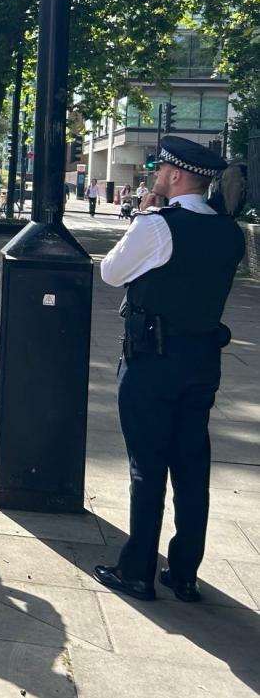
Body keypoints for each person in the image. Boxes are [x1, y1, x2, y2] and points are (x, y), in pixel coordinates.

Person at [93, 136, 244, 604]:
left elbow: (111, 274)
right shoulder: (230, 231)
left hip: (152, 361)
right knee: (192, 465)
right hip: (202, 362)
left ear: (176, 176)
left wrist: (143, 215)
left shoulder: (157, 225)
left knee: (147, 466)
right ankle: (184, 573)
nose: (155, 174)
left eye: (160, 169)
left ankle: (136, 570)